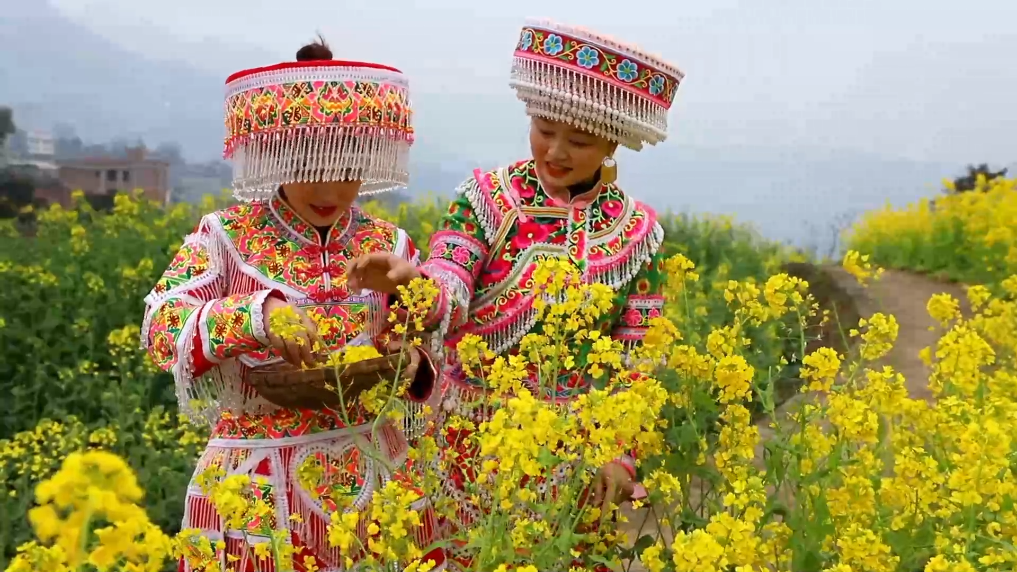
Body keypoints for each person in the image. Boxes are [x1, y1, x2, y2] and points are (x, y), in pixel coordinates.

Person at [348, 17, 684, 561]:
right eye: (543, 130)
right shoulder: (487, 199)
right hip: (468, 444)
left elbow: (638, 356)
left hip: (575, 460)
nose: (556, 151)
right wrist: (413, 283)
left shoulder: (638, 232)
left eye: (579, 141)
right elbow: (450, 278)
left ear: (613, 143)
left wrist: (620, 455)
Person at [142, 38, 443, 572]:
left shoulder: (390, 244)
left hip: (379, 475)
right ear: (277, 157)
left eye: (346, 170)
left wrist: (413, 334)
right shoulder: (225, 237)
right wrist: (256, 315)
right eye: (308, 167)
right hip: (256, 486)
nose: (329, 190)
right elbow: (161, 328)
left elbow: (428, 349)